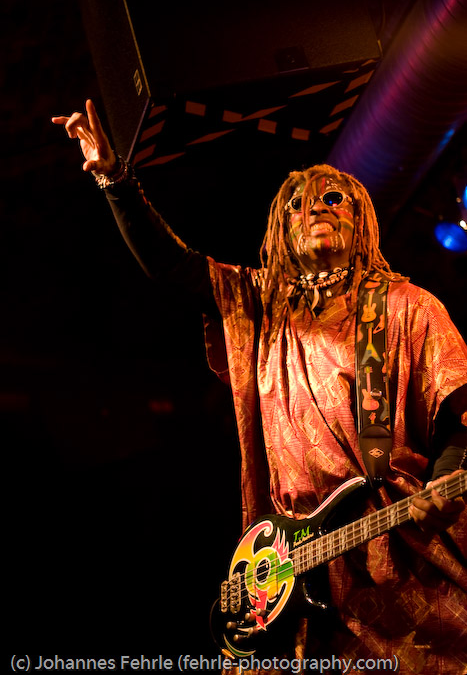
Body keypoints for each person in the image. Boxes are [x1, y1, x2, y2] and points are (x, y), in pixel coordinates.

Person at [52, 100, 467, 673]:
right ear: (281, 232)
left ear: (362, 221)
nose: (314, 206)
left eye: (332, 198)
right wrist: (114, 179)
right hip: (286, 559)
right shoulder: (260, 306)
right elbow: (173, 265)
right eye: (297, 203)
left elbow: (459, 412)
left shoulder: (407, 307)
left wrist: (443, 486)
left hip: (393, 551)